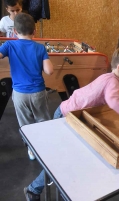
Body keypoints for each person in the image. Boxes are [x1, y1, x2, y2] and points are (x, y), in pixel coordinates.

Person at [24, 47, 119, 201]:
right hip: (67, 117)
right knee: (62, 161)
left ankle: (46, 190)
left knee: (67, 159)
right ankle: (34, 189)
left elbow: (102, 102)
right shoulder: (112, 82)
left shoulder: (108, 77)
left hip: (69, 114)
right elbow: (115, 103)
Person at [0, 13, 53, 160]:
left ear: (15, 31)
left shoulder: (9, 45)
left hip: (19, 94)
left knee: (26, 124)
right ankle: (45, 147)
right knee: (42, 119)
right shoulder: (40, 48)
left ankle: (31, 150)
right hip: (38, 92)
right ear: (34, 31)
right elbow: (49, 71)